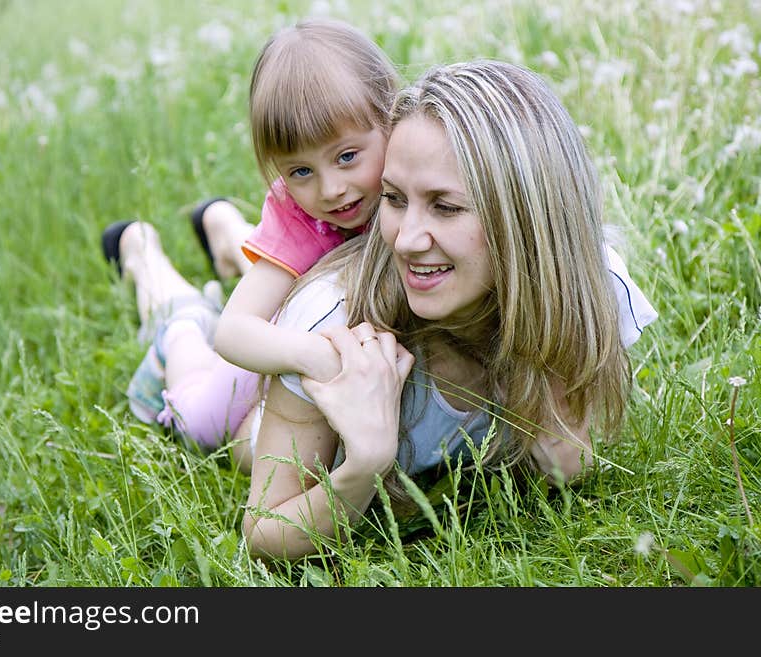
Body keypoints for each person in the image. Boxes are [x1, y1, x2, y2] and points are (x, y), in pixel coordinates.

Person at [102, 59, 657, 560]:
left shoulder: (589, 282)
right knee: (206, 415)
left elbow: (568, 460)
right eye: (393, 199)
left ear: (530, 219)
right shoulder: (332, 321)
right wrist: (363, 464)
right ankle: (151, 268)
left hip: (299, 306)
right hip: (271, 366)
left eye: (445, 206)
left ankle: (226, 230)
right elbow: (265, 531)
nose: (407, 239)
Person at [103, 18, 399, 446]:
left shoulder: (415, 181)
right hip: (285, 323)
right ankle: (176, 320)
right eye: (300, 171)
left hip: (295, 275)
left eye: (348, 156)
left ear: (390, 116)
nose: (332, 189)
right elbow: (233, 331)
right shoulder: (304, 215)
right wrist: (309, 353)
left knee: (285, 265)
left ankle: (225, 229)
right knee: (205, 424)